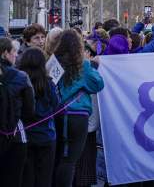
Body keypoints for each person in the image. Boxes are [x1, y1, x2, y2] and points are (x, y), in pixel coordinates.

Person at [53, 29, 104, 187]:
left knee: (61, 156)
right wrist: (93, 66)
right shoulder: (83, 64)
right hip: (78, 115)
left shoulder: (53, 62)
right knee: (70, 160)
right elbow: (98, 84)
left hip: (58, 114)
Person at [18, 48, 60, 187]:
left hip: (26, 135)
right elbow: (56, 105)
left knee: (27, 178)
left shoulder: (20, 83)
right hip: (46, 135)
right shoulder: (49, 83)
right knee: (45, 178)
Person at [0, 37, 35, 186]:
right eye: (14, 51)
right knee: (14, 178)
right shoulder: (21, 77)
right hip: (15, 135)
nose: (16, 55)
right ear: (5, 54)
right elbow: (30, 109)